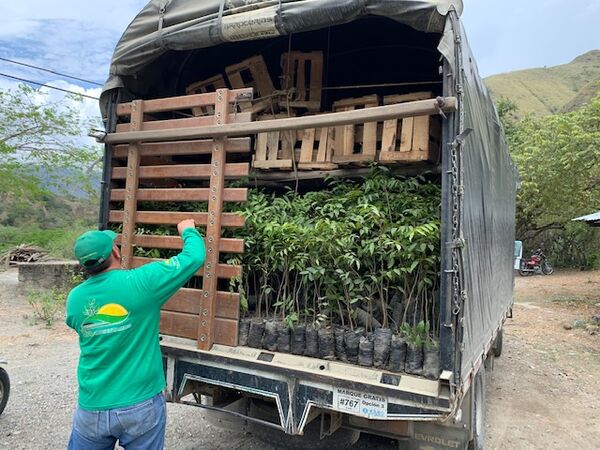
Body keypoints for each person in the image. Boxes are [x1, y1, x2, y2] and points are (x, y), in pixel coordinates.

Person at [65, 219, 205, 449]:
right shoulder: (142, 283)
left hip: (92, 407)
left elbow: (75, 324)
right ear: (115, 251)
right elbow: (194, 257)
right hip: (141, 404)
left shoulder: (75, 299)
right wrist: (188, 229)